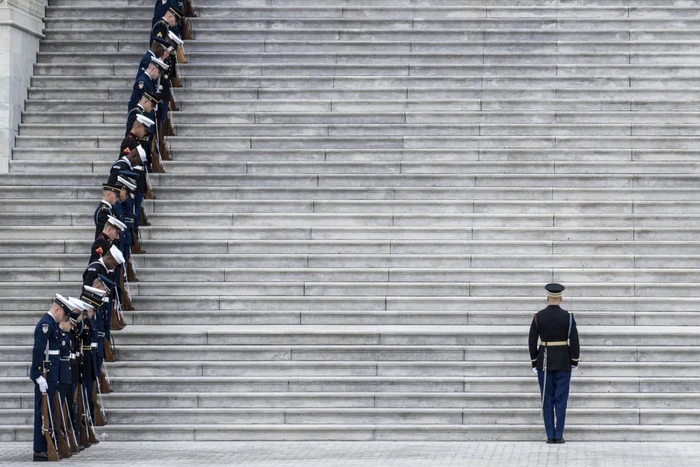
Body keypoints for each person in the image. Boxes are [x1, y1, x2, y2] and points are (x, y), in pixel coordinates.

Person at [528, 283, 580, 444]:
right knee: (561, 399)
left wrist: (534, 361)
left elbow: (531, 340)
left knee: (547, 398)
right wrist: (574, 360)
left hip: (544, 361)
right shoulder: (568, 316)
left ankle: (550, 435)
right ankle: (559, 435)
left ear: (547, 298)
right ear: (561, 299)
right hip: (564, 360)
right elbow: (574, 340)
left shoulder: (538, 316)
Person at [30, 294, 71, 462]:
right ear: (57, 309)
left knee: (48, 411)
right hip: (46, 375)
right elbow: (38, 351)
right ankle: (40, 449)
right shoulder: (46, 324)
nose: (64, 317)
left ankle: (47, 445)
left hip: (52, 375)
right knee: (42, 412)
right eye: (63, 313)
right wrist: (38, 375)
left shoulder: (52, 324)